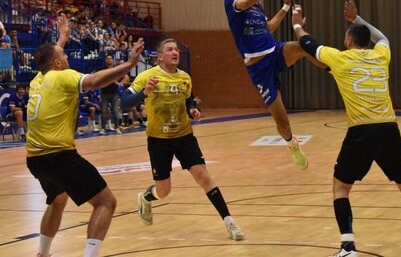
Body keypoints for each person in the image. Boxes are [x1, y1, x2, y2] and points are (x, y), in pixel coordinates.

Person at [291, 1, 401, 257]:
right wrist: (357, 18)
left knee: (340, 188)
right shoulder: (381, 56)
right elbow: (382, 37)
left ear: (348, 41)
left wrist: (296, 23)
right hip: (389, 129)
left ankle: (348, 248)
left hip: (361, 131)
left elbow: (307, 44)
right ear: (366, 41)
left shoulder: (339, 58)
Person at [26, 14, 144, 257]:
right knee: (106, 202)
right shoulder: (63, 76)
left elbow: (53, 53)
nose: (67, 57)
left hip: (35, 158)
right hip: (59, 156)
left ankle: (42, 254)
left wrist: (63, 38)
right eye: (64, 56)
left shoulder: (38, 79)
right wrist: (129, 65)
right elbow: (94, 81)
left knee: (58, 200)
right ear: (57, 64)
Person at [121, 38, 244, 241]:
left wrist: (193, 111)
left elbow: (189, 101)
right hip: (159, 140)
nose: (175, 52)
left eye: (176, 49)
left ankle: (229, 222)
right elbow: (124, 102)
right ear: (160, 56)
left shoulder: (185, 77)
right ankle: (145, 197)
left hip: (184, 136)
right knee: (164, 190)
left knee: (203, 177)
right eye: (169, 49)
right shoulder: (147, 76)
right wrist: (145, 93)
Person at [224, 0, 325, 169]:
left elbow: (269, 27)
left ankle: (334, 69)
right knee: (282, 121)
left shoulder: (258, 7)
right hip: (258, 68)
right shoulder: (232, 1)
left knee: (301, 47)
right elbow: (243, 4)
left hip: (274, 52)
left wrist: (286, 6)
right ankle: (292, 145)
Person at [97, 54, 123, 135]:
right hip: (104, 93)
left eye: (110, 58)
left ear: (112, 60)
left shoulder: (116, 69)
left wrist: (120, 83)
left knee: (116, 111)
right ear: (105, 60)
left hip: (114, 93)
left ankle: (117, 128)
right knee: (104, 112)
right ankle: (103, 129)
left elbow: (125, 76)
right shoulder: (102, 69)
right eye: (107, 58)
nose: (109, 60)